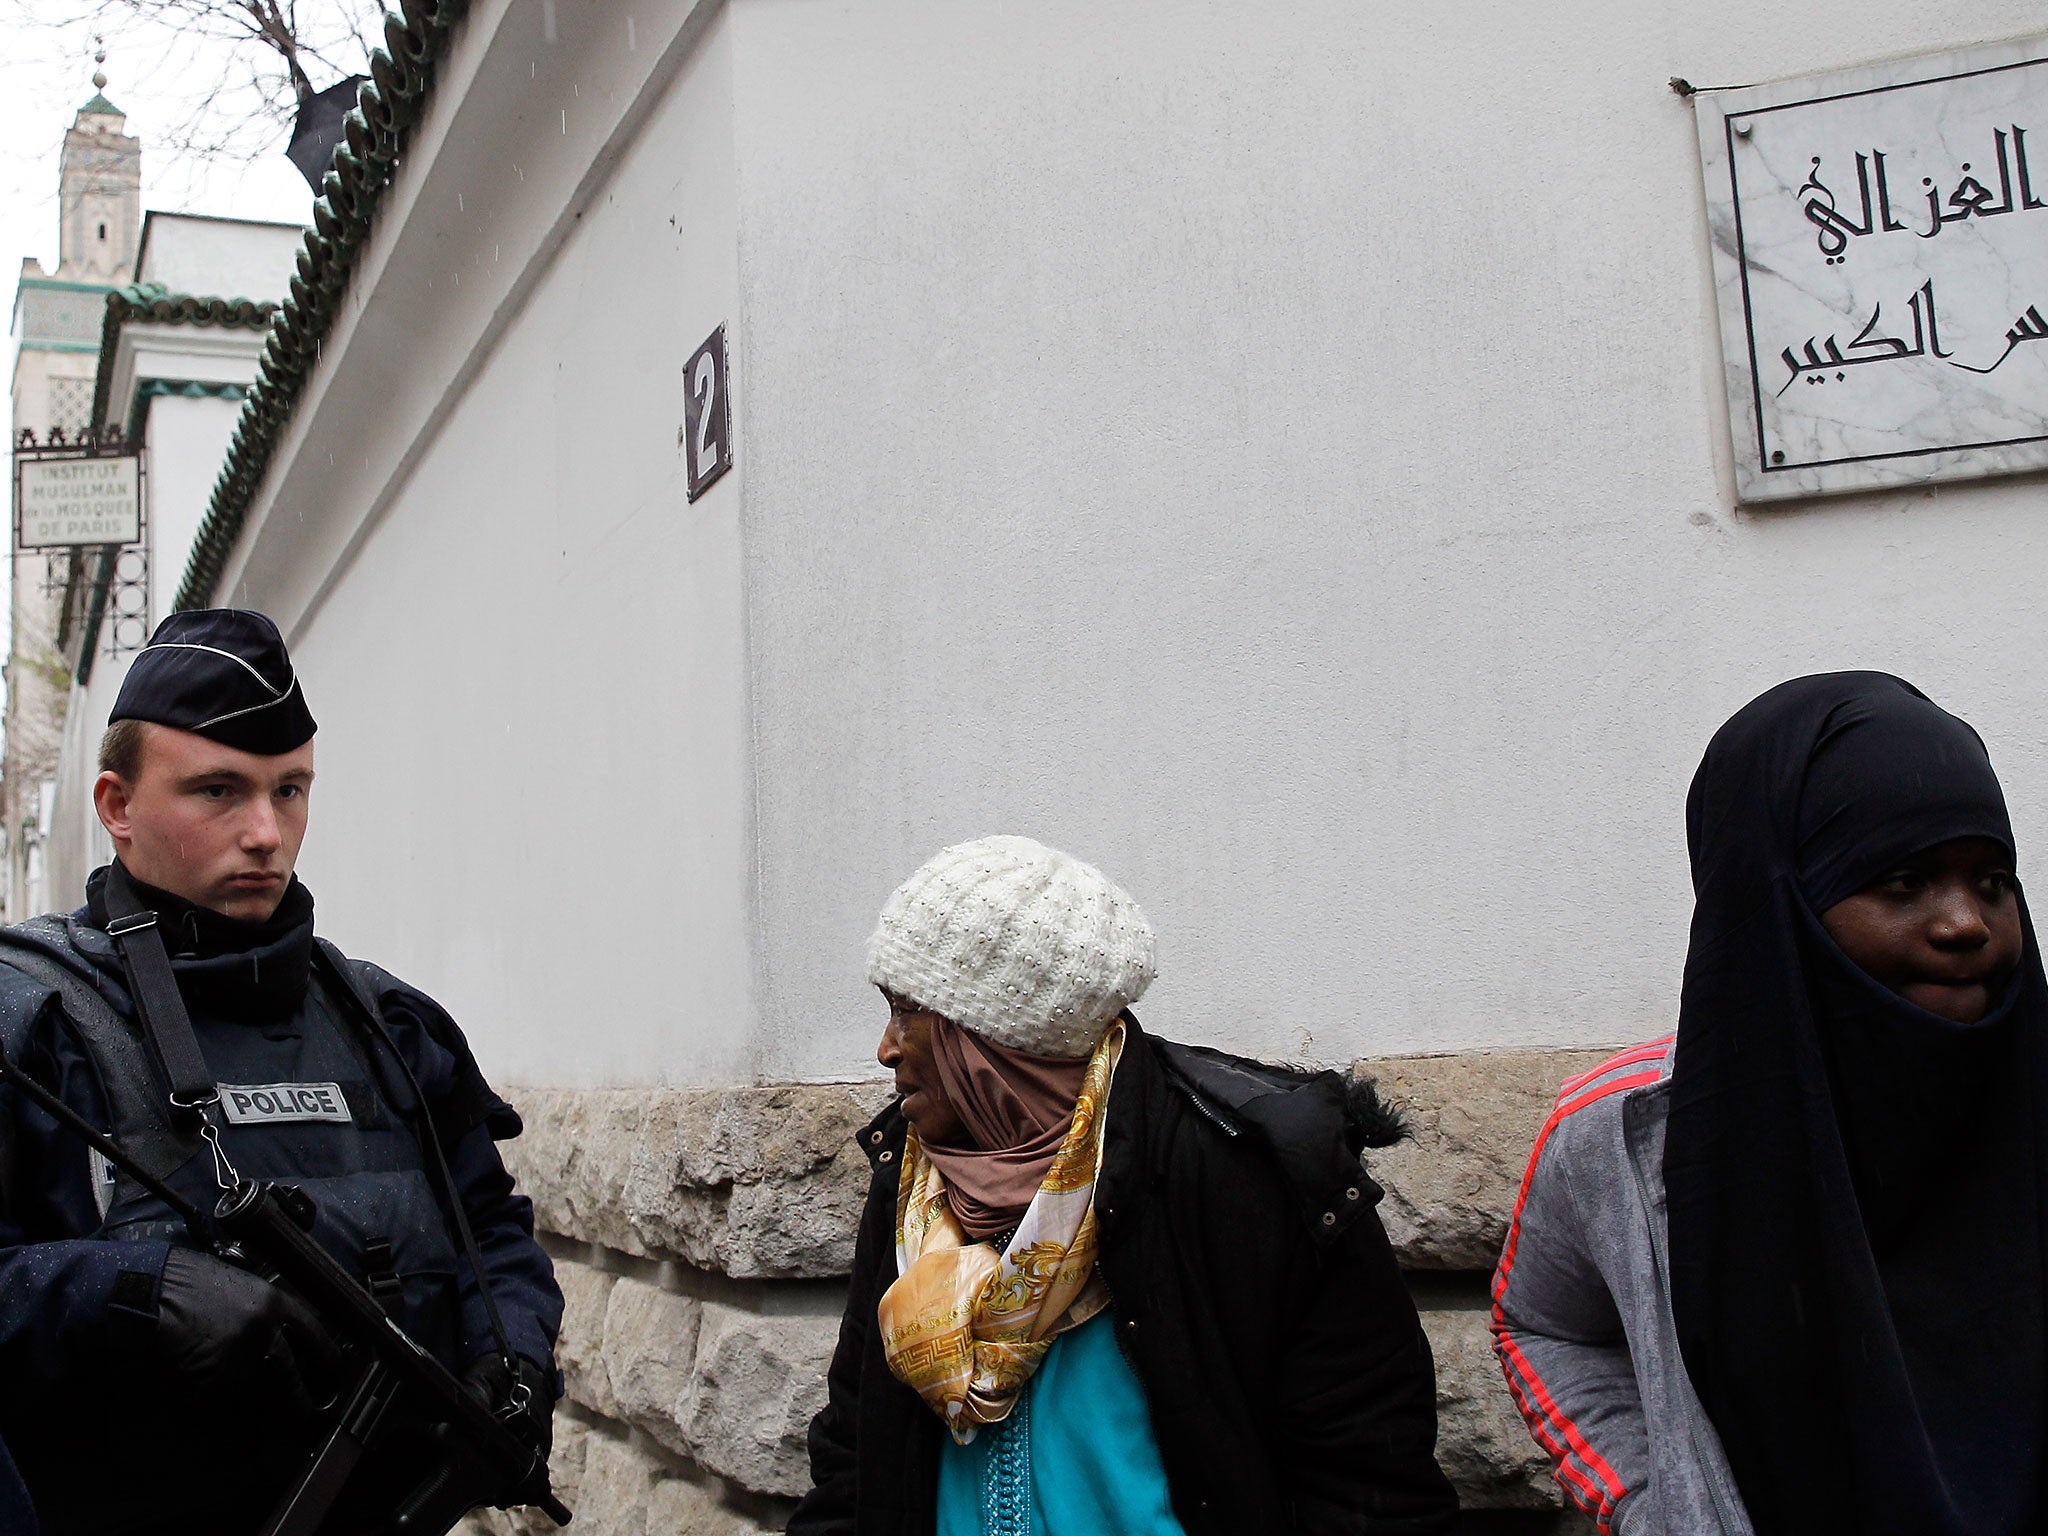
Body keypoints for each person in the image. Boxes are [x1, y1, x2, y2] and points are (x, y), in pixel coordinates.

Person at [0, 609, 563, 1536]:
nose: (266, 832)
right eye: (219, 792)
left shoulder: (385, 1022)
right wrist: (131, 1293)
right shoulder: (35, 1026)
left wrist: (517, 1357)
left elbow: (489, 1228)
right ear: (116, 806)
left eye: (290, 790)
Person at [1492, 672, 2046, 1535]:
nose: (1966, 922)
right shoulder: (1627, 1135)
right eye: (1903, 882)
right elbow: (1543, 1324)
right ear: (1775, 902)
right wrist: (1650, 1503)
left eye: (1993, 880)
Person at [789, 834, 1456, 1536]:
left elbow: (1367, 1486)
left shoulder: (1244, 1174)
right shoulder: (912, 1177)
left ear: (990, 1039)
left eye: (906, 1011)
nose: (886, 1049)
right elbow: (856, 1453)